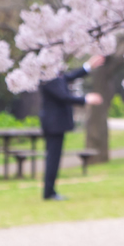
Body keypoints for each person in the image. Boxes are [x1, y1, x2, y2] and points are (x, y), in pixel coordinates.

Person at [39, 56, 105, 201]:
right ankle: (48, 192)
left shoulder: (54, 75)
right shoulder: (47, 77)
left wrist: (88, 66)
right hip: (53, 124)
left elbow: (68, 77)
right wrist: (86, 99)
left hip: (56, 124)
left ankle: (50, 191)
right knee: (53, 158)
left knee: (54, 158)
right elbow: (63, 96)